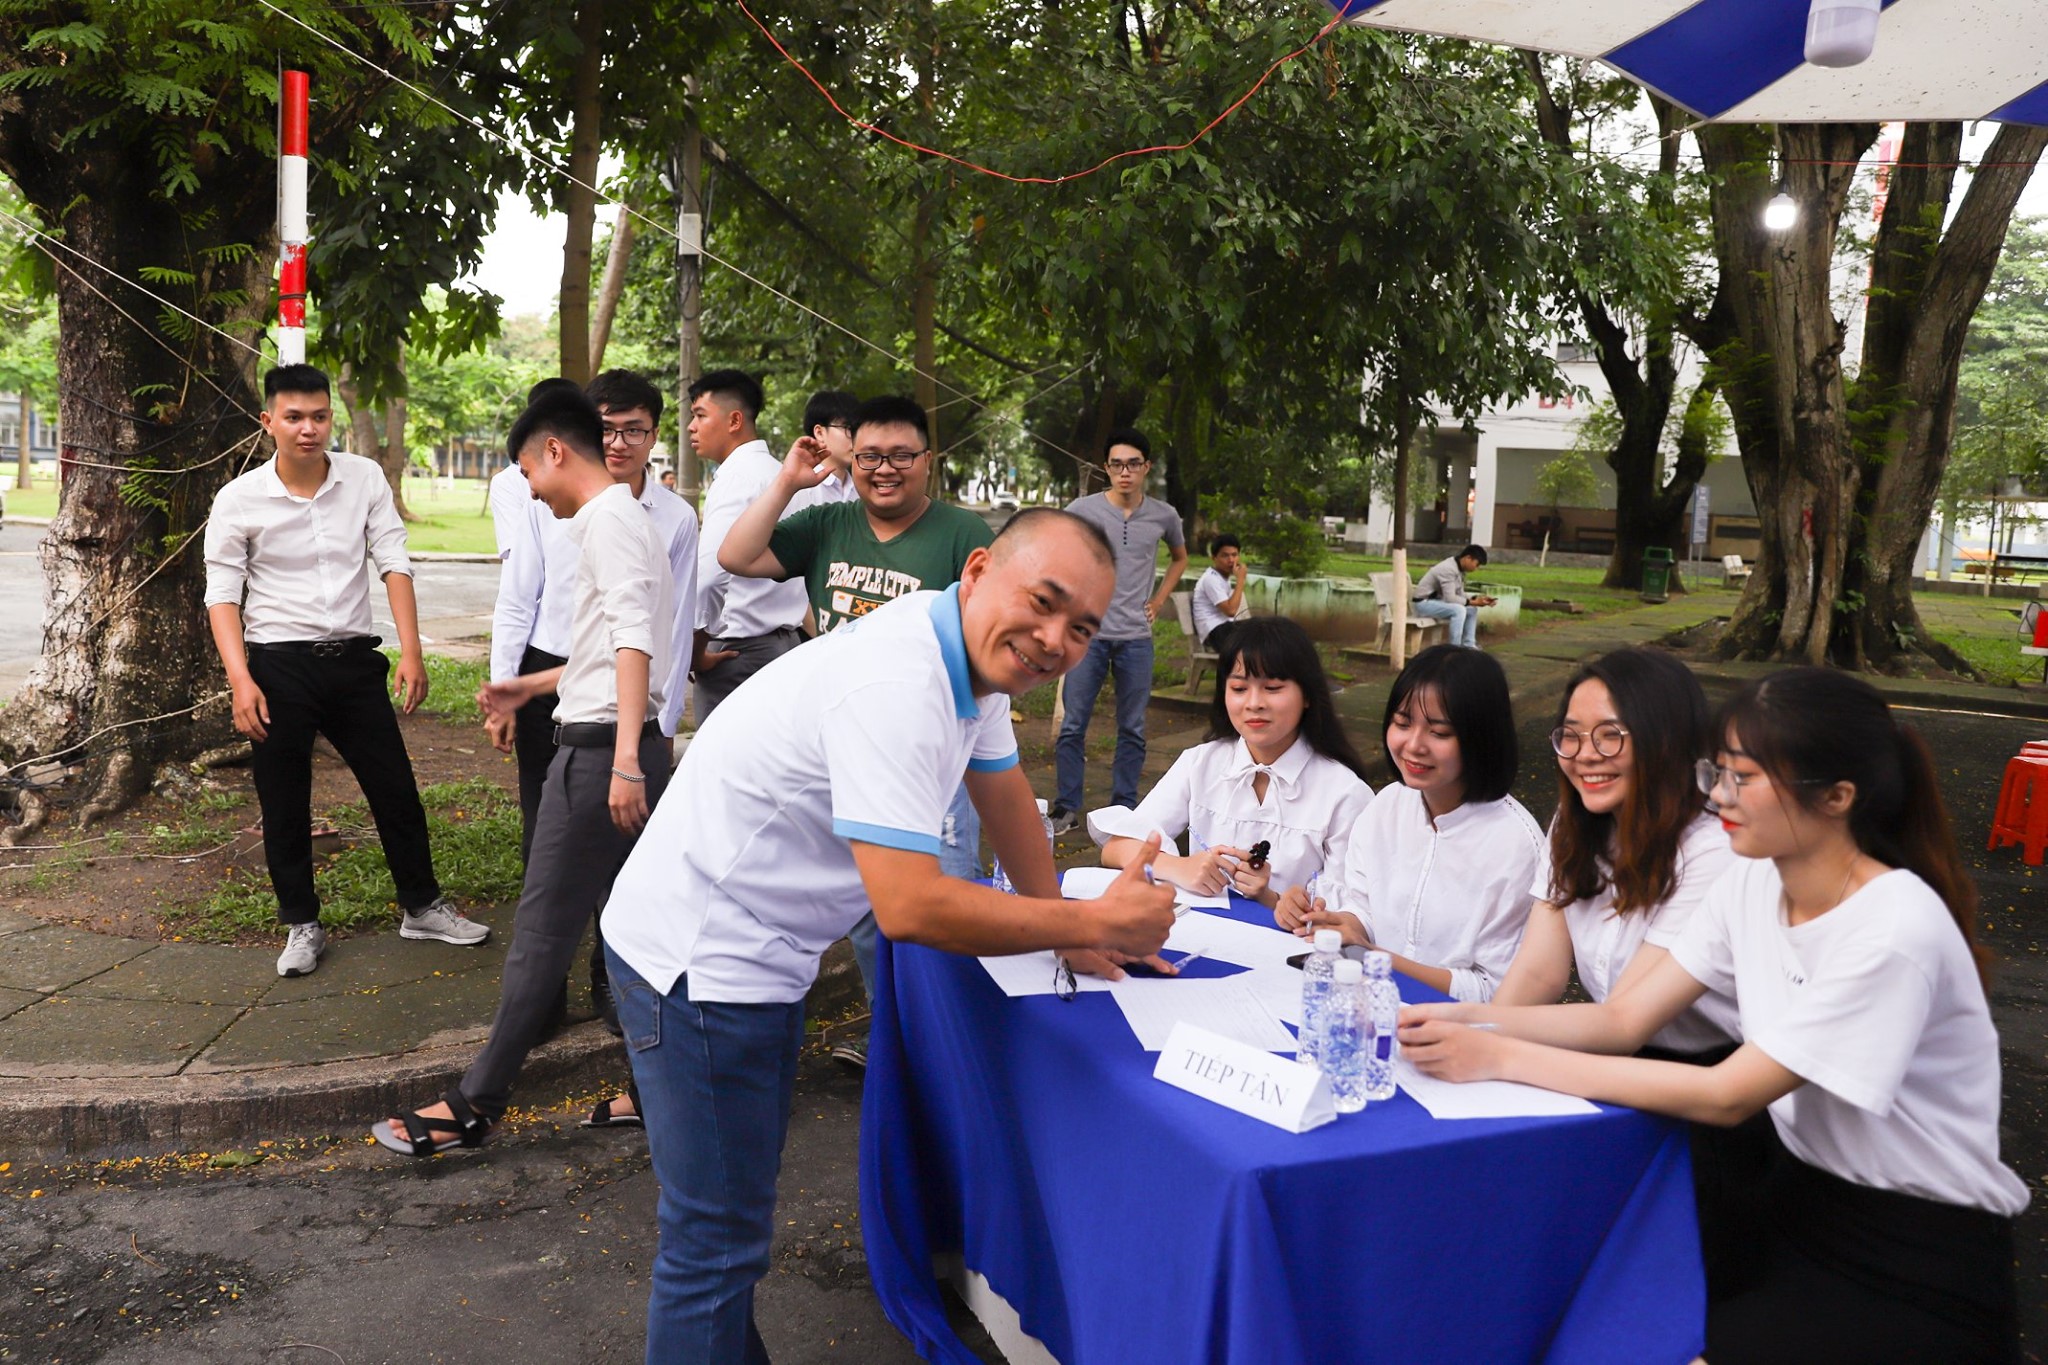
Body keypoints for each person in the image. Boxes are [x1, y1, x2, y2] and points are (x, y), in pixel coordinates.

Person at [599, 508, 1179, 1358]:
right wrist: (1088, 916)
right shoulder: (898, 682)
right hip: (701, 963)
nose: (1054, 639)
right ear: (978, 570)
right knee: (714, 1247)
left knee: (726, 1234)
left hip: (752, 949)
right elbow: (910, 906)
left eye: (1082, 627)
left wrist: (1063, 928)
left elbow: (1004, 792)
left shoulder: (967, 655)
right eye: (1044, 602)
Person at [1401, 668, 2030, 1363]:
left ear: (1837, 796)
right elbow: (1624, 1016)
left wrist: (1496, 1053)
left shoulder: (1891, 927)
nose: (1720, 797)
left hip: (1915, 1250)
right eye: (1719, 772)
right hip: (1796, 1206)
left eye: (1744, 778)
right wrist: (1462, 1022)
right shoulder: (1756, 878)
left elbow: (1726, 1094)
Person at [373, 385, 675, 1157]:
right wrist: (532, 685)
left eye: (527, 475)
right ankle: (661, 1088)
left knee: (542, 931)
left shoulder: (607, 520)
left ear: (553, 451)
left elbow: (636, 641)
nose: (532, 493)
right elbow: (611, 647)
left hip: (605, 752)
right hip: (616, 741)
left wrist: (629, 760)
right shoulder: (627, 518)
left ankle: (476, 1102)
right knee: (642, 931)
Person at [714, 394, 994, 1066]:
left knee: (940, 910)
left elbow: (989, 640)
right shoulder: (828, 523)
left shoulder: (962, 535)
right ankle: (898, 1046)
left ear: (928, 461)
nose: (885, 469)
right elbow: (735, 554)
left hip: (932, 761)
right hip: (841, 755)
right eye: (870, 456)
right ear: (852, 459)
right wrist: (788, 480)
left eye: (901, 455)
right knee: (869, 918)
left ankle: (955, 1054)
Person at [1490, 648, 1762, 1298]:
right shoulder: (1577, 823)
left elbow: (1621, 1020)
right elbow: (1535, 976)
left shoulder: (1715, 848)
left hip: (1718, 1104)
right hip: (1620, 1081)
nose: (1586, 753)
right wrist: (1473, 1073)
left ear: (1666, 736)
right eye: (1572, 734)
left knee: (1662, 1298)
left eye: (1612, 733)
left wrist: (1474, 1037)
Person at [204, 364, 487, 978]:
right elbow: (222, 594)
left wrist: (410, 651)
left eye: (320, 416)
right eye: (294, 417)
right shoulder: (239, 499)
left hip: (355, 664)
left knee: (395, 790)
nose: (309, 429)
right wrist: (241, 680)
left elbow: (393, 560)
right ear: (269, 422)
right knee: (285, 803)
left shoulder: (362, 479)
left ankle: (421, 906)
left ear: (331, 416)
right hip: (279, 667)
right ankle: (301, 924)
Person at [1277, 644, 1542, 1001]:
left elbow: (1495, 990)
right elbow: (1364, 907)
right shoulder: (1386, 806)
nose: (1413, 745)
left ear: (1481, 738)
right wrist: (1336, 922)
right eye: (1402, 724)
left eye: (1439, 732)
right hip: (1367, 1005)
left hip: (1458, 1032)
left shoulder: (1516, 846)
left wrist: (1377, 958)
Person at [1089, 617, 1373, 911]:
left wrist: (1272, 899)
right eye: (1239, 689)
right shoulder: (1200, 764)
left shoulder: (1345, 792)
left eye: (1272, 688)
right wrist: (1179, 867)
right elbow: (1116, 847)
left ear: (1308, 696)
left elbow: (1357, 908)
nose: (1254, 703)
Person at [1049, 428, 1188, 832]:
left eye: (1132, 464)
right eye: (1116, 465)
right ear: (1106, 468)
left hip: (1135, 639)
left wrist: (1159, 598)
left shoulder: (1164, 515)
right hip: (1088, 636)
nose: (1124, 472)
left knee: (1132, 727)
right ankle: (1066, 807)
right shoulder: (1083, 508)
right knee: (1074, 724)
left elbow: (1180, 557)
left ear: (1146, 467)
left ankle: (1124, 809)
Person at [688, 369, 808, 720]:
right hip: (786, 644)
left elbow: (710, 575)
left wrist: (696, 651)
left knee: (720, 770)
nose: (691, 427)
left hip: (738, 655)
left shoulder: (738, 478)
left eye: (699, 416)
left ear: (734, 420)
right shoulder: (780, 475)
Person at [1411, 542, 1495, 650]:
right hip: (1423, 604)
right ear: (1468, 558)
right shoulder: (1448, 569)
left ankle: (1469, 645)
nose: (1476, 568)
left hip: (1436, 602)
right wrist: (1473, 602)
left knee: (1471, 609)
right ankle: (1453, 649)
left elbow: (1459, 594)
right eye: (1477, 564)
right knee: (1459, 610)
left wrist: (1477, 599)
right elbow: (1450, 598)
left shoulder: (1458, 568)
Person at [796, 388, 861, 506]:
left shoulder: (861, 491)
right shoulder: (802, 490)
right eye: (848, 428)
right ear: (820, 433)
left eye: (859, 429)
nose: (856, 437)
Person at [1190, 532, 1250, 654]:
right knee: (1262, 634)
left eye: (1234, 555)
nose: (1231, 560)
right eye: (1225, 556)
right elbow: (1231, 611)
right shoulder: (1210, 579)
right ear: (1214, 558)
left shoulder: (1222, 578)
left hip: (1225, 629)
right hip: (1215, 634)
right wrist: (1240, 580)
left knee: (1266, 629)